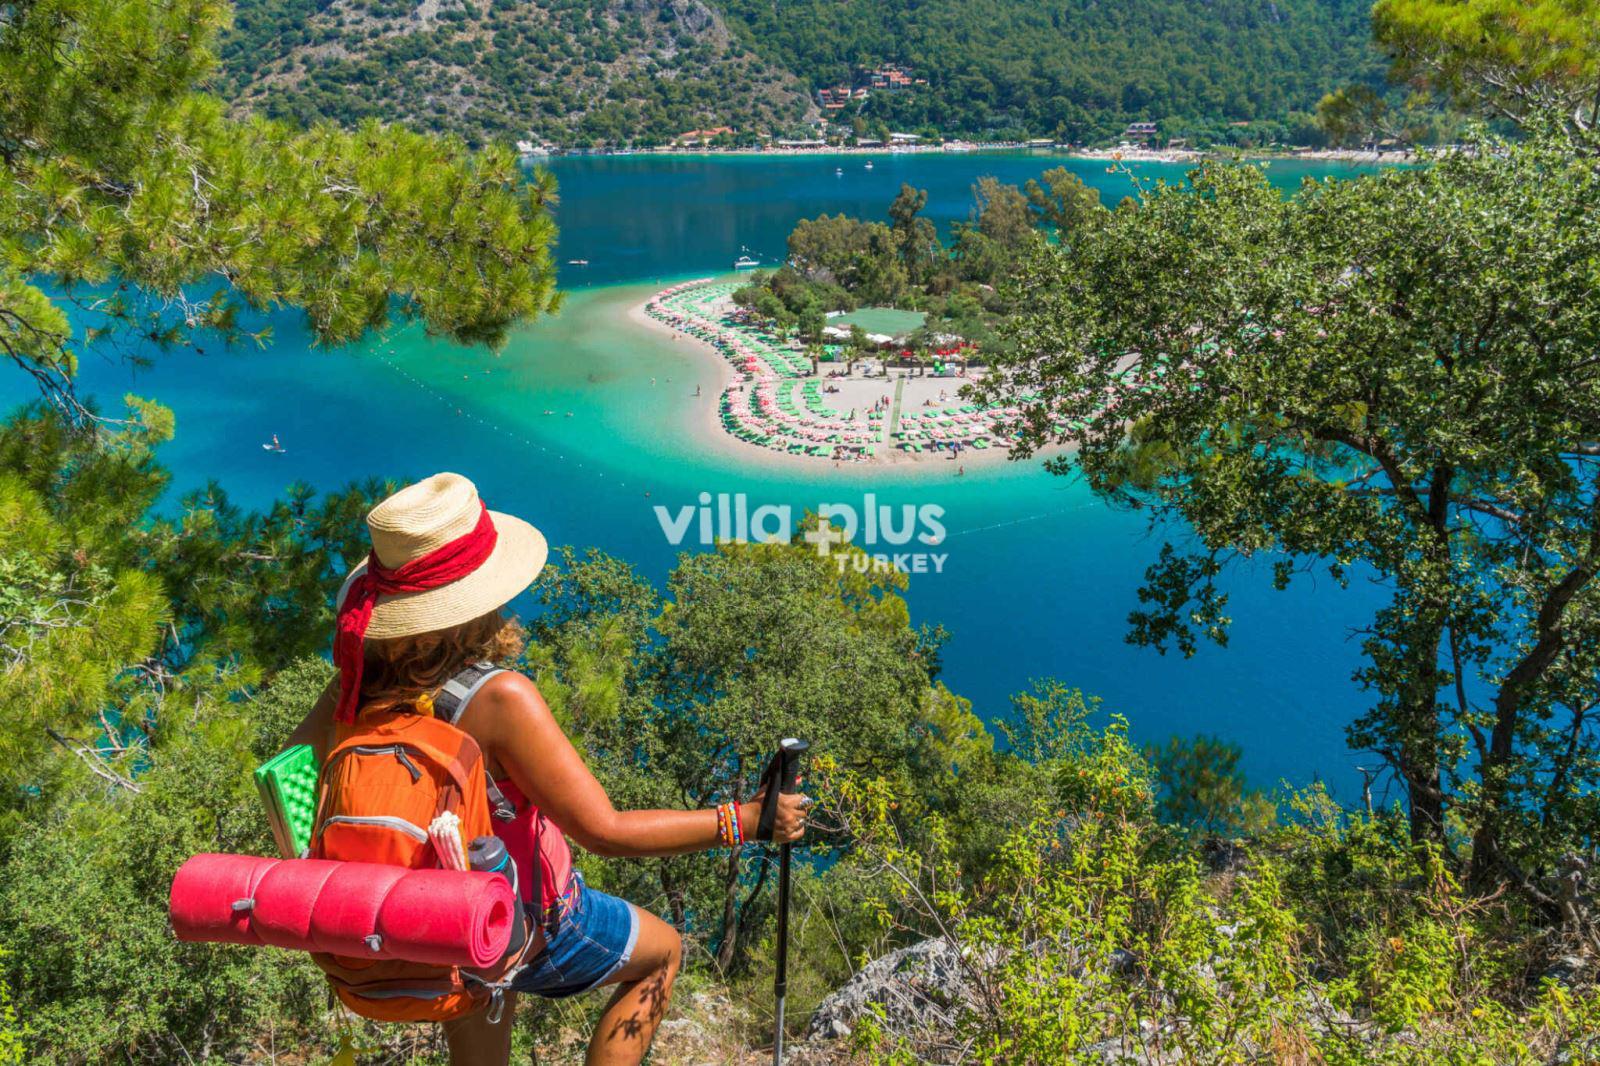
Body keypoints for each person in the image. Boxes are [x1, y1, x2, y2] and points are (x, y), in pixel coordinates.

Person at [285, 474, 809, 1066]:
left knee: (481, 1003)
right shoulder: (500, 699)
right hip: (529, 922)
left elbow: (288, 787)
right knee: (662, 953)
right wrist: (744, 821)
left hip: (430, 924)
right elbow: (604, 831)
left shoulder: (352, 688)